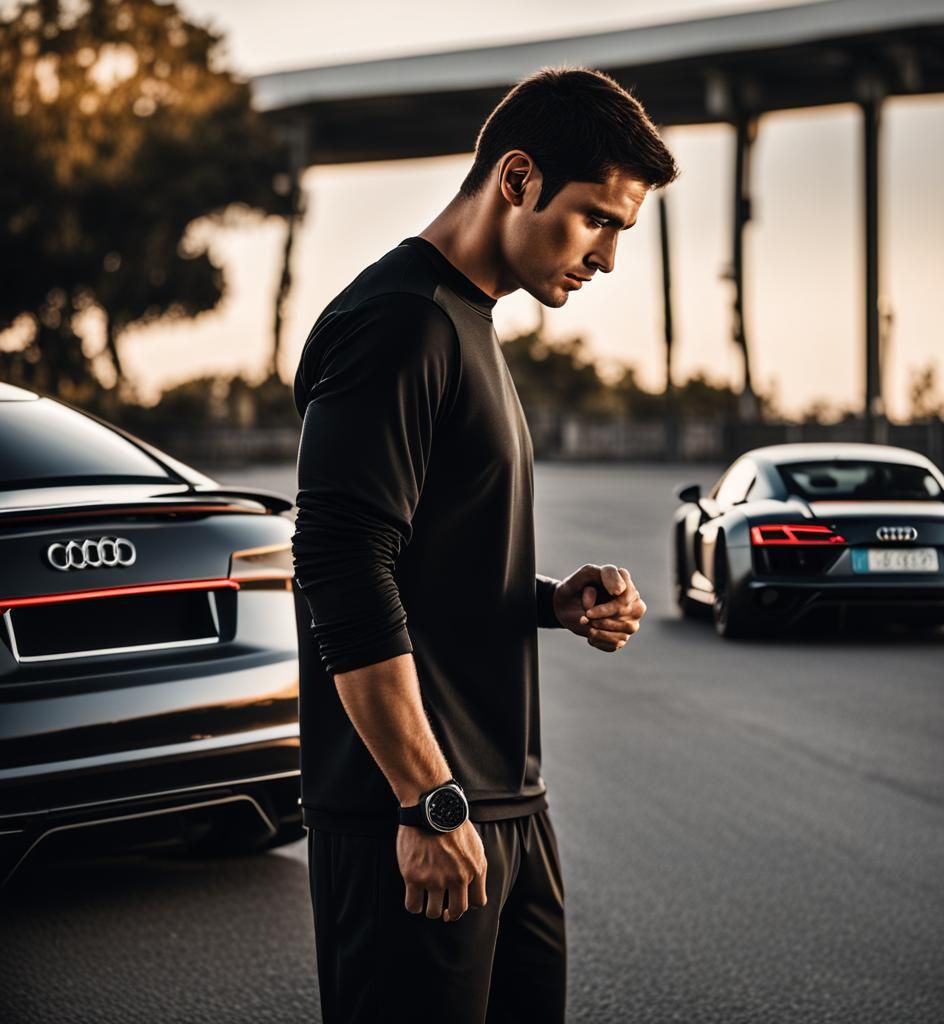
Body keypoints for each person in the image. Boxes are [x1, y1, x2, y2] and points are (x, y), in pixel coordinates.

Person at [291, 64, 678, 1024]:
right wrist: (428, 803)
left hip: (502, 804)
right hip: (415, 816)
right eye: (599, 219)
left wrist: (549, 598)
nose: (609, 257)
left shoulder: (467, 323)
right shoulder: (399, 323)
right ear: (516, 179)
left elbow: (428, 556)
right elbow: (341, 567)